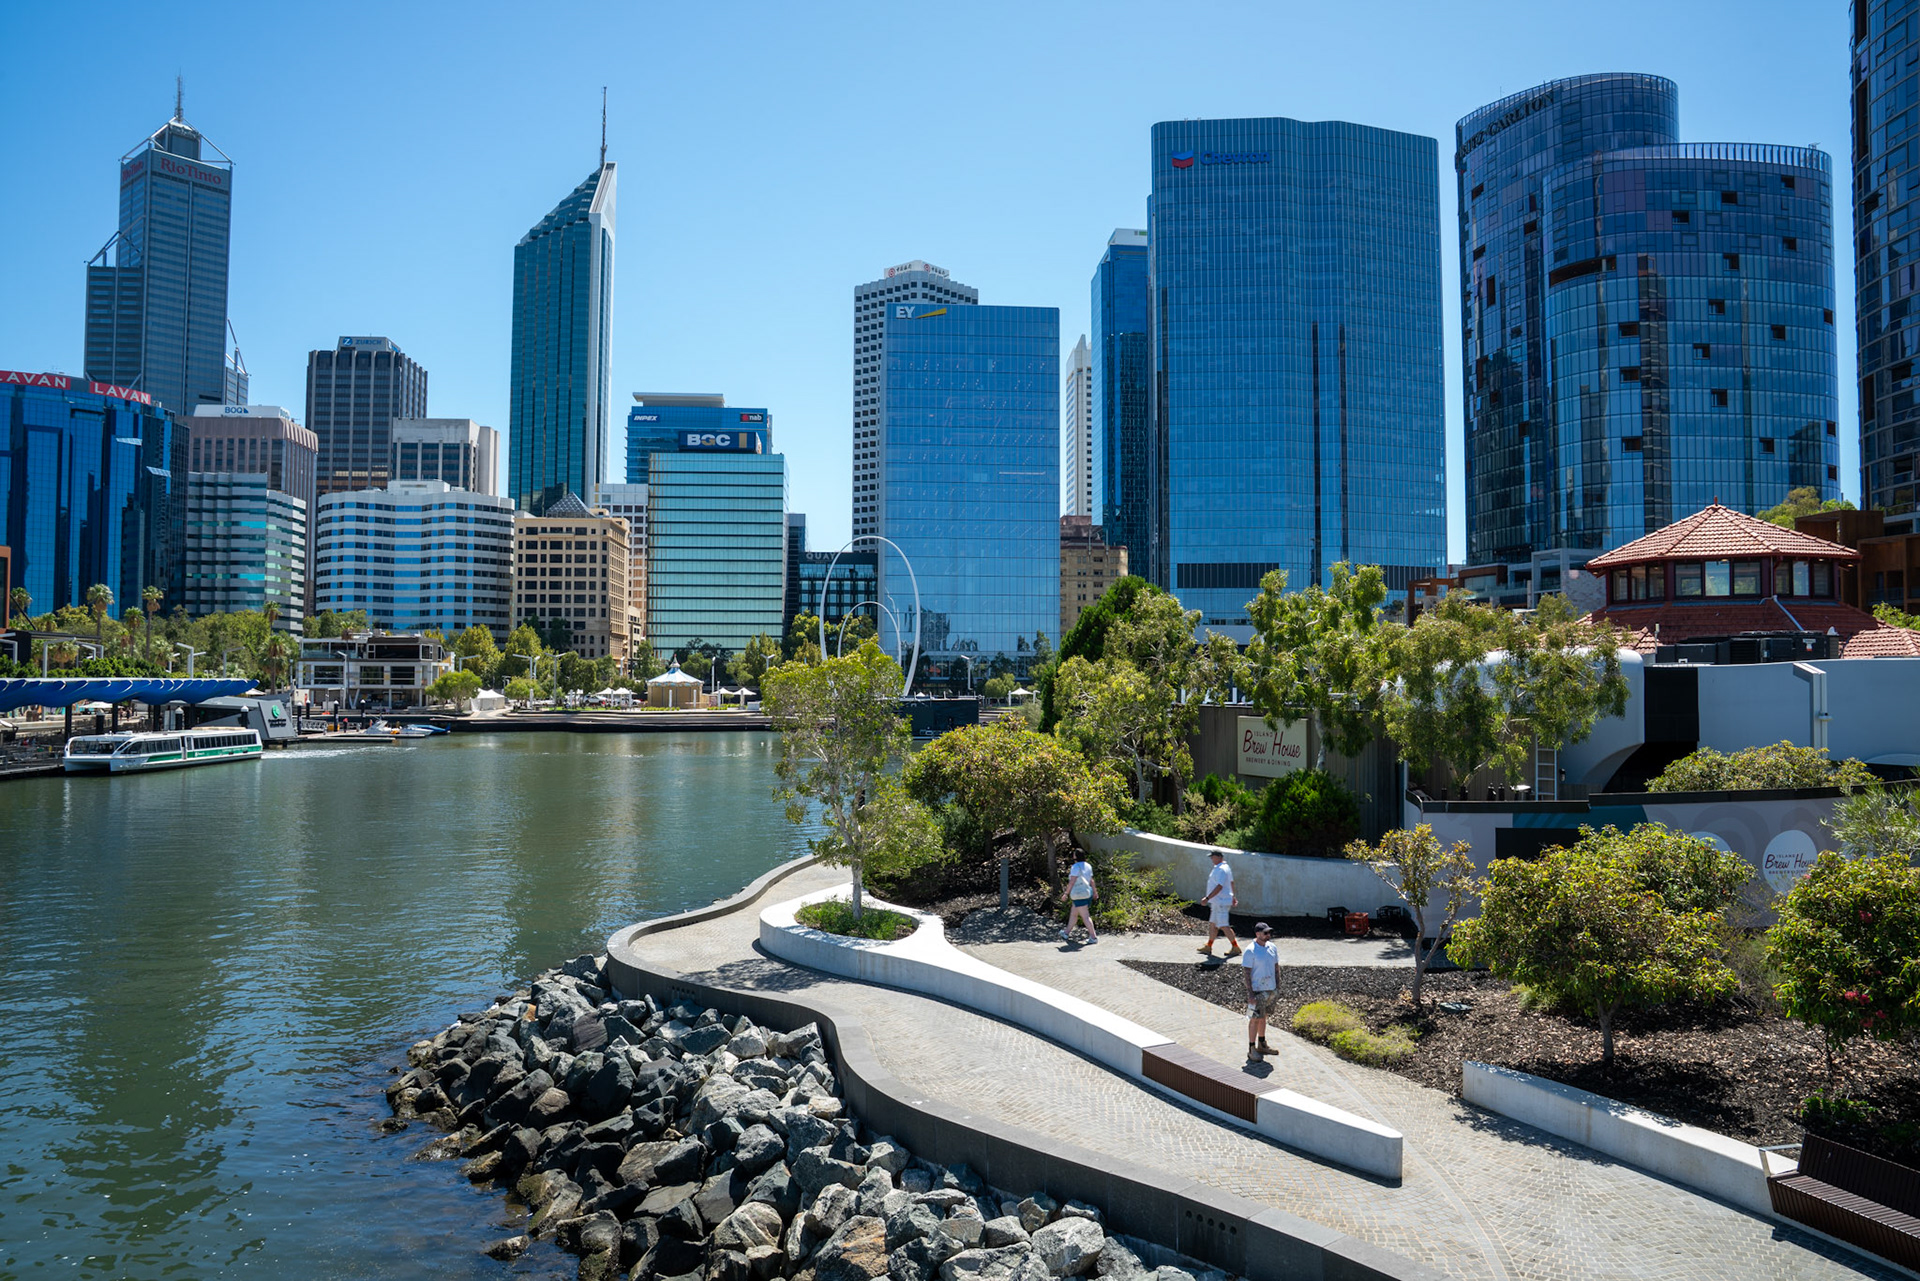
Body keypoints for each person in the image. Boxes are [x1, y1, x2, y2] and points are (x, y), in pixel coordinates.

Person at [1243, 922, 1279, 1059]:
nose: (1268, 935)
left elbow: (1276, 967)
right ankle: (1251, 1048)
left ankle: (1262, 1044)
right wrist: (1250, 994)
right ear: (1257, 934)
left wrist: (1277, 987)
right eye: (1265, 933)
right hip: (1257, 991)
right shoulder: (1250, 950)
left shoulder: (1272, 948)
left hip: (1271, 989)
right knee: (1254, 1019)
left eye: (1269, 932)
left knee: (1264, 1017)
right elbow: (1246, 973)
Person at [1197, 850, 1241, 957]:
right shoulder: (1224, 868)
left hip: (1221, 901)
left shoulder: (1221, 869)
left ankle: (1235, 947)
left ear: (1218, 857)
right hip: (1218, 902)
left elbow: (1220, 886)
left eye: (1212, 857)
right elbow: (1231, 883)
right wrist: (1233, 896)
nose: (1211, 859)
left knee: (1223, 925)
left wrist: (1207, 898)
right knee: (1213, 924)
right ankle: (1209, 946)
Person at [1061, 855, 1099, 945]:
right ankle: (1066, 933)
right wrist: (1095, 892)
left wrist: (1066, 893)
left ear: (1075, 857)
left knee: (1085, 916)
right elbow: (1091, 880)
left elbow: (1072, 881)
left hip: (1079, 894)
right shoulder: (1088, 865)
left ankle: (1093, 937)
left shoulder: (1075, 867)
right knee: (1074, 914)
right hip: (1087, 892)